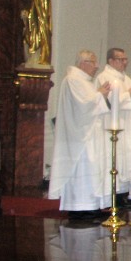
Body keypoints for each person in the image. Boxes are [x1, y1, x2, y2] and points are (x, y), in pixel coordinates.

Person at [48, 51, 111, 220]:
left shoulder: (85, 81)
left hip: (90, 134)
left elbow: (90, 102)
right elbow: (83, 106)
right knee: (83, 167)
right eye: (93, 62)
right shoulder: (72, 80)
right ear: (82, 63)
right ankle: (79, 206)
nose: (96, 66)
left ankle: (92, 204)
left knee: (92, 168)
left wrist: (99, 94)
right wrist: (100, 95)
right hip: (80, 137)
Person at [94, 48, 131, 202]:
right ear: (111, 61)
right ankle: (113, 196)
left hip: (127, 124)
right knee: (115, 158)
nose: (124, 62)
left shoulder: (127, 79)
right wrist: (130, 95)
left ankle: (123, 194)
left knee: (127, 158)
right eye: (121, 59)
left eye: (126, 59)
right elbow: (109, 101)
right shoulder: (104, 77)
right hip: (112, 125)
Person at [20, 0, 52, 67]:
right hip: (32, 19)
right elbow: (31, 5)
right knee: (28, 38)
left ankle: (37, 59)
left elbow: (41, 7)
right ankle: (31, 59)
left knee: (37, 37)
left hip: (38, 20)